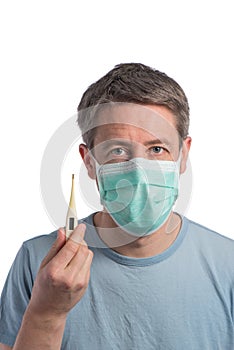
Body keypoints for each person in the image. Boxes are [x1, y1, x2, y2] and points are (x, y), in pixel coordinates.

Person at [0, 63, 233, 350]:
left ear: (183, 156)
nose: (139, 171)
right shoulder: (38, 263)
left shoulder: (228, 266)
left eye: (157, 149)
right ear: (88, 161)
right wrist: (47, 313)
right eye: (117, 151)